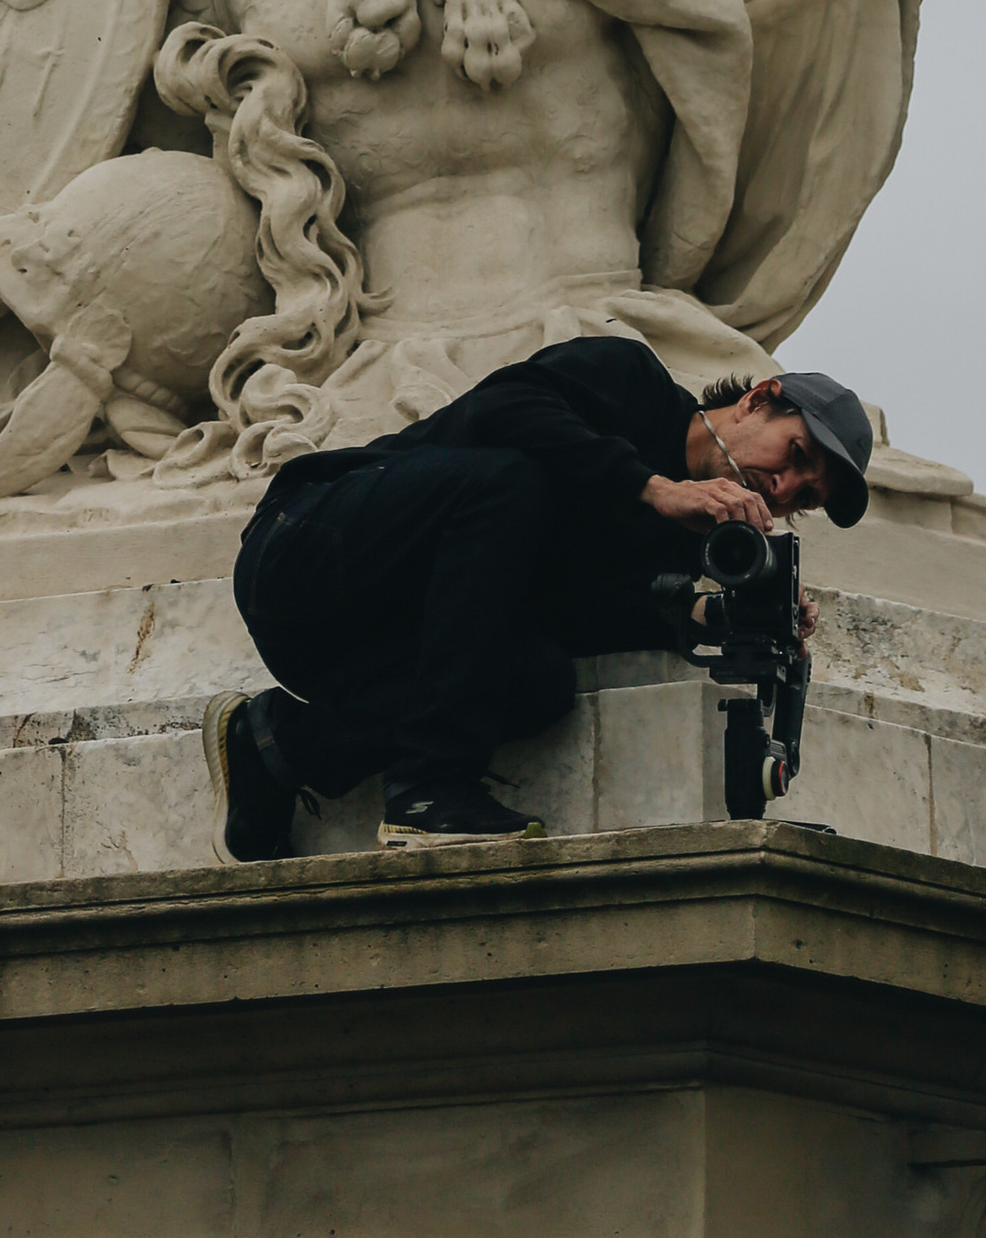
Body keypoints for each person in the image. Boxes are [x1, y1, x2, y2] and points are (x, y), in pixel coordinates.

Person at [204, 336, 873, 857]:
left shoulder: (676, 539)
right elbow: (505, 406)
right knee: (511, 481)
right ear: (759, 399)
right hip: (305, 553)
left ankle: (281, 746)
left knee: (543, 679)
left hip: (369, 647)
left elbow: (571, 618)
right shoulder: (631, 381)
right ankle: (430, 790)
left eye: (804, 495)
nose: (785, 488)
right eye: (795, 454)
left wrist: (719, 616)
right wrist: (655, 487)